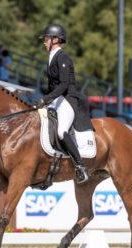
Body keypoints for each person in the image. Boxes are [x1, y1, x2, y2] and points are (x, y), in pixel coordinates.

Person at [36, 24, 90, 184]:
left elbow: (64, 85)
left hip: (67, 99)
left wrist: (46, 99)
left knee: (61, 131)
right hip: (56, 99)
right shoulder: (52, 57)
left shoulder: (63, 57)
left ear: (56, 39)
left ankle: (81, 167)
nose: (44, 42)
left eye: (46, 38)